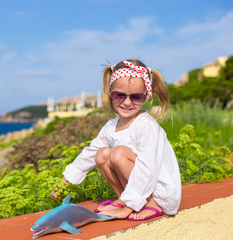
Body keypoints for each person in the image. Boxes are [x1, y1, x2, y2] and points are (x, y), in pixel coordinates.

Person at [51, 59, 181, 221]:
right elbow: (90, 153)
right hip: (139, 189)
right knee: (101, 154)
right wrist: (66, 180)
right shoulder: (111, 126)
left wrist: (131, 206)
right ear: (110, 93)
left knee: (118, 153)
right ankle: (124, 198)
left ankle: (150, 204)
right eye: (120, 95)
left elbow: (147, 168)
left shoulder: (145, 125)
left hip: (160, 192)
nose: (127, 102)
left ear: (146, 97)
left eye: (136, 97)